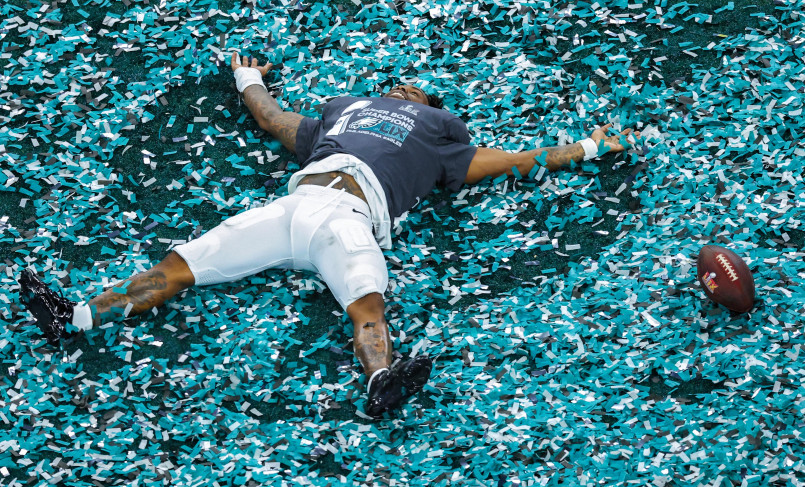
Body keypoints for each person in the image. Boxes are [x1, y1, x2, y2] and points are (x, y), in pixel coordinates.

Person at [19, 52, 638, 417]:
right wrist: (248, 78)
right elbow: (272, 119)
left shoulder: (441, 143)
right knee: (183, 264)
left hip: (349, 218)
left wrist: (588, 146)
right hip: (296, 205)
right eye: (399, 84)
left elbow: (519, 158)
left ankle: (380, 380)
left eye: (417, 90)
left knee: (367, 306)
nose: (405, 87)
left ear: (434, 111)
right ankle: (74, 317)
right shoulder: (338, 117)